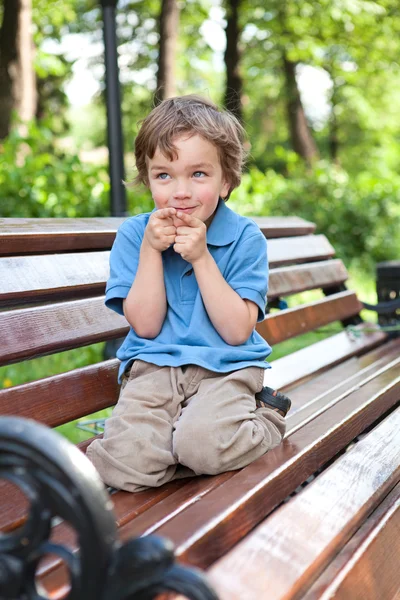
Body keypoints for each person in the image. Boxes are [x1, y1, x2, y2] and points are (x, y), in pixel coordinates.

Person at [87, 95, 290, 492]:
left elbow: (236, 331)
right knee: (123, 465)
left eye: (198, 174)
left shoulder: (245, 238)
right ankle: (174, 444)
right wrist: (150, 251)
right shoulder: (134, 236)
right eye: (164, 175)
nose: (181, 192)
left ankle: (264, 419)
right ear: (148, 180)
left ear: (226, 180)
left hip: (226, 367)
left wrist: (200, 258)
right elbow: (145, 326)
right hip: (153, 368)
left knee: (203, 446)